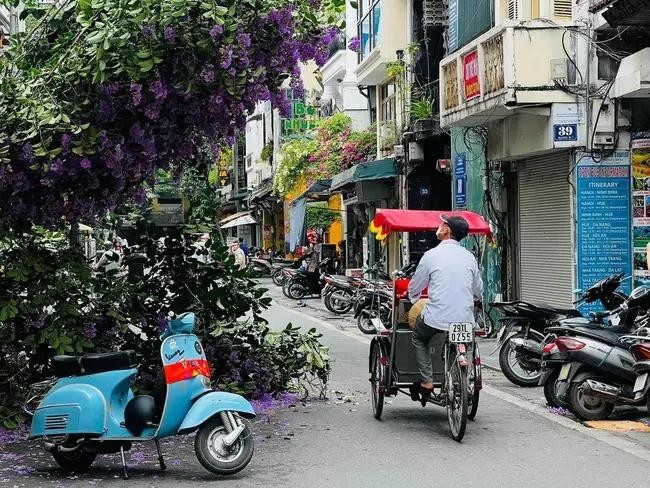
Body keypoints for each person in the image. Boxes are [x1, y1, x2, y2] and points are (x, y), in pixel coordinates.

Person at [407, 214, 483, 406]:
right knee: (467, 343)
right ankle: (461, 364)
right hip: (465, 319)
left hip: (436, 319)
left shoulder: (431, 255)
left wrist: (414, 300)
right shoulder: (469, 257)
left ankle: (427, 381)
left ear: (447, 230)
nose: (439, 226)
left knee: (419, 337)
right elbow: (478, 290)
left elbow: (415, 287)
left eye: (443, 224)